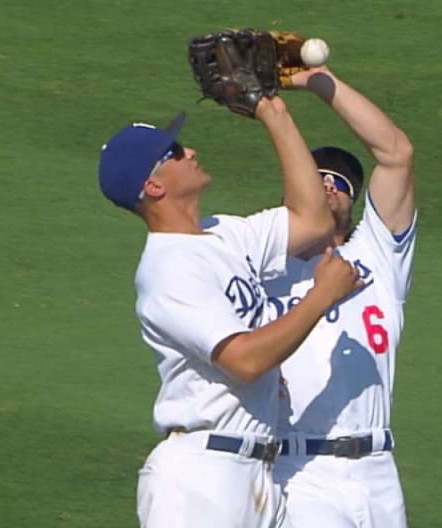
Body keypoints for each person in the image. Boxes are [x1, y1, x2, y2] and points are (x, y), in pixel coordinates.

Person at [97, 95, 364, 528]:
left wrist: (272, 112)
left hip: (259, 477)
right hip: (202, 481)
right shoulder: (168, 271)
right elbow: (244, 361)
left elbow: (313, 220)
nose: (191, 151)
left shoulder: (226, 234)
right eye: (176, 152)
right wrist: (321, 297)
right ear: (154, 186)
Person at [264, 68, 416, 528]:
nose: (326, 185)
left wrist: (317, 81)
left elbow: (397, 154)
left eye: (339, 182)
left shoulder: (378, 254)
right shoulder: (263, 261)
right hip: (301, 471)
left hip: (379, 472)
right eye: (315, 177)